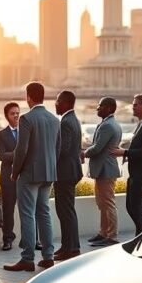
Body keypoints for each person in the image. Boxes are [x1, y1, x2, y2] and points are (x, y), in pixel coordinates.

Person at [4, 82, 60, 272]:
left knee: (27, 214)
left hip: (29, 175)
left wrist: (15, 172)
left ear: (29, 97)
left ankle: (27, 258)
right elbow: (57, 149)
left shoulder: (27, 119)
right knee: (44, 213)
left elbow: (21, 150)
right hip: (49, 173)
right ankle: (48, 256)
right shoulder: (54, 120)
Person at [111, 94, 142, 233]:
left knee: (136, 207)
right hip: (136, 172)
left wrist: (124, 153)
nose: (133, 107)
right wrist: (128, 153)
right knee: (131, 206)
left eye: (135, 105)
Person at [84, 97, 122, 247]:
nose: (97, 109)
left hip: (106, 169)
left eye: (100, 106)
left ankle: (112, 236)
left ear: (108, 108)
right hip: (104, 169)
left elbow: (97, 148)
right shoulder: (110, 123)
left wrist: (83, 153)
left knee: (108, 203)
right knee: (102, 204)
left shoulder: (108, 126)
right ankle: (103, 233)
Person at [53, 90, 82, 261]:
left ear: (65, 103)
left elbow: (62, 149)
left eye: (57, 101)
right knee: (67, 211)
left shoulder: (65, 122)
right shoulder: (73, 119)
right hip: (71, 171)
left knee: (65, 211)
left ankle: (70, 249)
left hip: (65, 173)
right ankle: (70, 246)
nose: (55, 104)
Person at [0, 102, 21, 251]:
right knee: (8, 210)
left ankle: (33, 240)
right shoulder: (0, 135)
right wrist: (20, 153)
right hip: (8, 178)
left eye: (18, 113)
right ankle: (7, 239)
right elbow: (2, 156)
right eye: (13, 113)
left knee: (29, 210)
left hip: (25, 177)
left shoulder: (26, 132)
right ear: (7, 116)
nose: (16, 115)